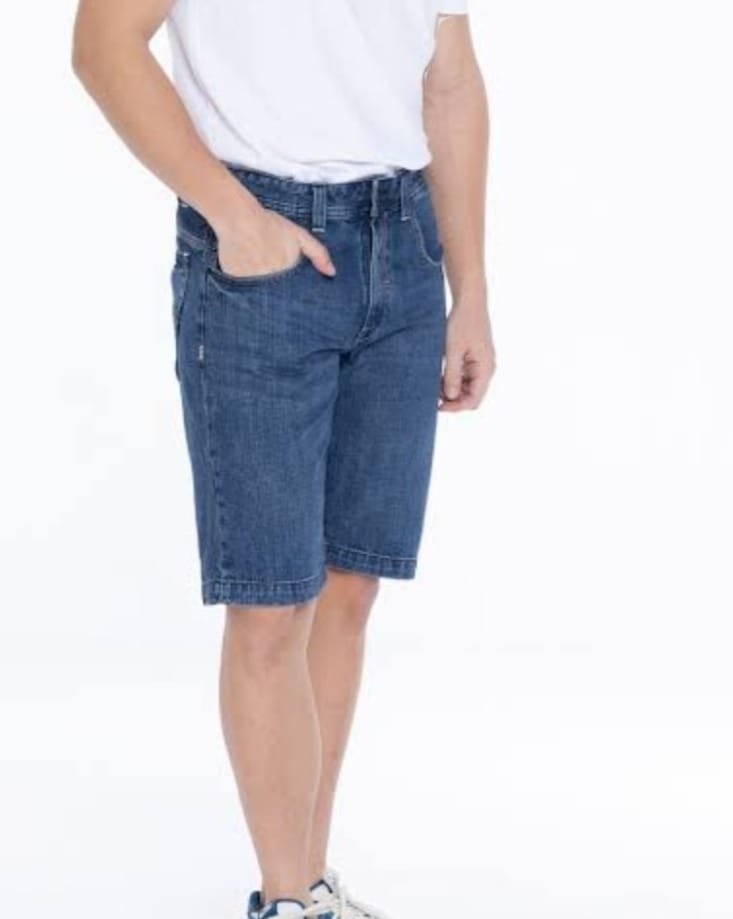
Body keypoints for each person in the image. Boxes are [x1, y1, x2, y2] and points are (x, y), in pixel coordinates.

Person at [72, 1, 495, 916]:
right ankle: (282, 897)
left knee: (349, 587)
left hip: (403, 247)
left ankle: (307, 881)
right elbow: (102, 44)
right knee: (270, 603)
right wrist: (234, 214)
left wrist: (470, 291)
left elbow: (450, 81)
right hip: (260, 251)